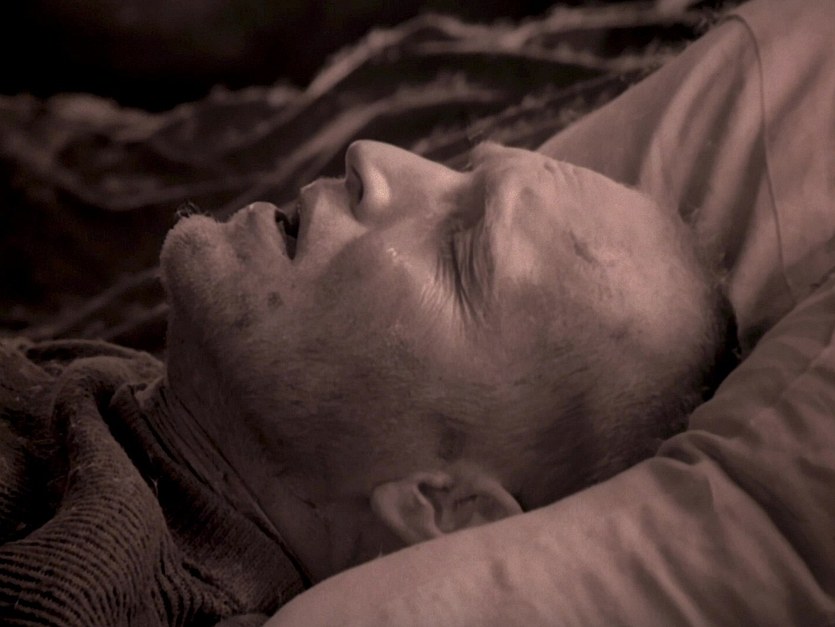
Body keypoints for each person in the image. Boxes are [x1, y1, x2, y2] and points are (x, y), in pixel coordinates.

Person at [1, 1, 832, 626]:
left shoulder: (85, 574)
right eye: (459, 170)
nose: (373, 158)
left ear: (444, 506)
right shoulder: (110, 421)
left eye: (459, 247)